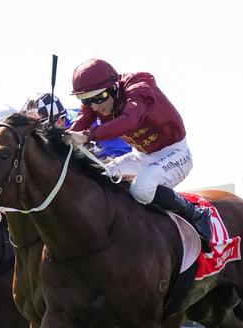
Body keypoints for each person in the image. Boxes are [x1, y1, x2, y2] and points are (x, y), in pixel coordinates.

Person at [64, 59, 212, 249]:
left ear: (114, 87)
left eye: (98, 98)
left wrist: (87, 136)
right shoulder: (99, 100)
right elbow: (84, 118)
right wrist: (63, 136)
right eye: (86, 101)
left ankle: (195, 214)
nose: (94, 106)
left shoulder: (139, 86)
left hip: (176, 153)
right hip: (141, 156)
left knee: (141, 189)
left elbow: (129, 121)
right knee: (99, 180)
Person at [22, 92, 132, 159]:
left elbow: (122, 151)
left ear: (59, 121)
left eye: (40, 128)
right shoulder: (61, 118)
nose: (38, 133)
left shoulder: (87, 124)